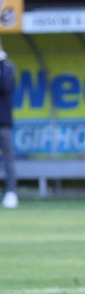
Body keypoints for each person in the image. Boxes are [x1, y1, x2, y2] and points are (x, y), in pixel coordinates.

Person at [0, 40, 17, 209]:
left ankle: (11, 193)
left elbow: (4, 85)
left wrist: (1, 62)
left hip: (4, 122)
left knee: (8, 160)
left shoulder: (8, 67)